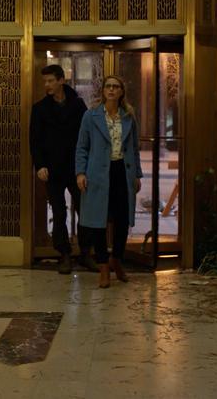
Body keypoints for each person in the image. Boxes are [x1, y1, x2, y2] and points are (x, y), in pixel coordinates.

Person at [75, 75, 143, 288]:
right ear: (103, 91)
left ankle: (117, 260)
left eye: (116, 87)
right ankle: (103, 266)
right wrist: (80, 173)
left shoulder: (128, 116)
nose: (111, 90)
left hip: (122, 171)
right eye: (108, 87)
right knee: (98, 221)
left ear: (121, 91)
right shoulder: (91, 116)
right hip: (97, 173)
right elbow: (82, 147)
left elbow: (134, 148)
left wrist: (137, 175)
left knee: (122, 220)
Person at [29, 64, 95, 275]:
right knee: (59, 213)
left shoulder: (78, 105)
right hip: (53, 169)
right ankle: (64, 254)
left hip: (76, 168)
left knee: (84, 212)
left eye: (50, 81)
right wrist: (39, 166)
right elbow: (35, 141)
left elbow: (87, 138)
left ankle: (86, 253)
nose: (46, 85)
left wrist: (85, 167)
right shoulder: (40, 108)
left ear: (61, 80)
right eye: (45, 81)